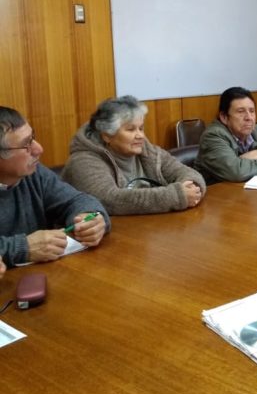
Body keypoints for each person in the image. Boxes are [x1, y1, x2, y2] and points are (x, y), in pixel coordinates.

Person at [0, 106, 109, 268]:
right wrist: (22, 247)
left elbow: (76, 199)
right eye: (26, 145)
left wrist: (91, 218)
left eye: (33, 138)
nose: (39, 149)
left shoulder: (34, 173)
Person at [62, 96, 206, 215]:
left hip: (149, 231)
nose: (140, 136)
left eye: (141, 128)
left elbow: (187, 172)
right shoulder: (83, 161)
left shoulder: (146, 150)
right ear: (107, 135)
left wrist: (192, 187)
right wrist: (177, 196)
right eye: (131, 129)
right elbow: (109, 200)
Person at [195, 87, 257, 183]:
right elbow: (237, 172)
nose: (249, 117)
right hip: (218, 197)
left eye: (252, 111)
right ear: (224, 117)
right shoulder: (213, 136)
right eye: (241, 111)